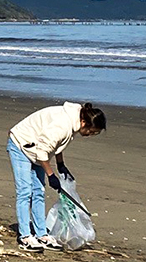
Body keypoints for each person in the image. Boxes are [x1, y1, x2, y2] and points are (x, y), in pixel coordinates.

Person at [7, 101, 106, 252]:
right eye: (92, 131)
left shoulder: (73, 121)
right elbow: (43, 151)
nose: (91, 135)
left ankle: (42, 234)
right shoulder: (63, 125)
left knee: (39, 191)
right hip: (20, 144)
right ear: (84, 122)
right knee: (25, 192)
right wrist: (51, 175)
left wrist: (61, 164)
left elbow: (57, 144)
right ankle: (25, 236)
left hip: (35, 148)